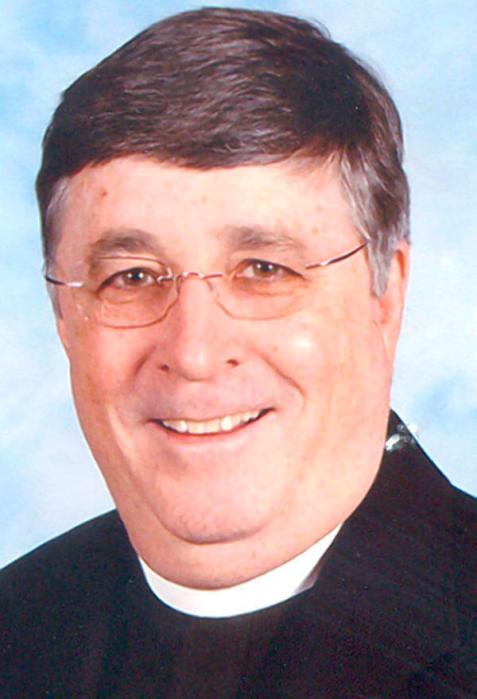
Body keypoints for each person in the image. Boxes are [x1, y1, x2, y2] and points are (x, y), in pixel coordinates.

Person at [1, 7, 475, 697]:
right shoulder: (15, 627)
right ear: (63, 316)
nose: (194, 352)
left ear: (386, 295)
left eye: (263, 269)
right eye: (132, 278)